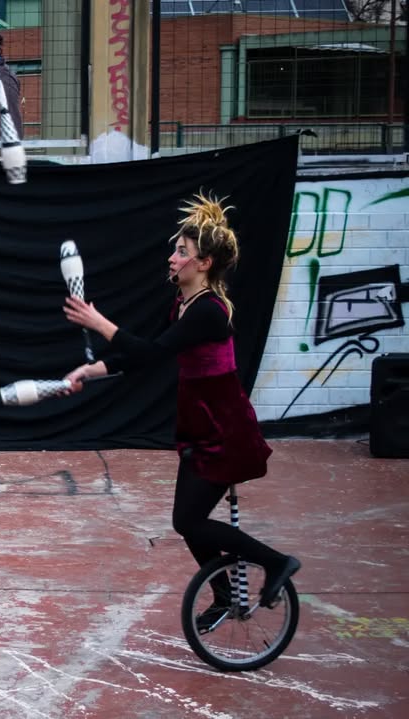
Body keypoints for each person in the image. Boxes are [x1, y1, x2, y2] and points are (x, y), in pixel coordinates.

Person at [61, 192, 300, 627]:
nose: (173, 258)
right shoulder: (184, 305)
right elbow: (139, 354)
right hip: (201, 425)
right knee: (188, 522)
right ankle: (227, 595)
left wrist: (99, 323)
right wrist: (87, 371)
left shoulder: (209, 312)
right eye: (176, 250)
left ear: (204, 263)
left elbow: (151, 354)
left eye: (182, 252)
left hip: (225, 430)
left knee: (188, 520)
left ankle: (277, 562)